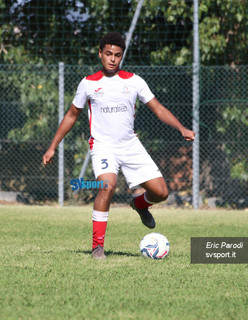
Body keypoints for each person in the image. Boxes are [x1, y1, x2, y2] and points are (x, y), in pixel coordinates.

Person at [43, 32, 195, 260]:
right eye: (108, 54)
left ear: (121, 56)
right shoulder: (88, 83)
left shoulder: (134, 81)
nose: (113, 59)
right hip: (103, 146)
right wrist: (53, 146)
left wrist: (181, 128)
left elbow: (158, 108)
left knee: (161, 192)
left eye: (117, 55)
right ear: (100, 54)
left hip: (130, 145)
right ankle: (97, 247)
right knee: (107, 186)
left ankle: (139, 204)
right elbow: (71, 115)